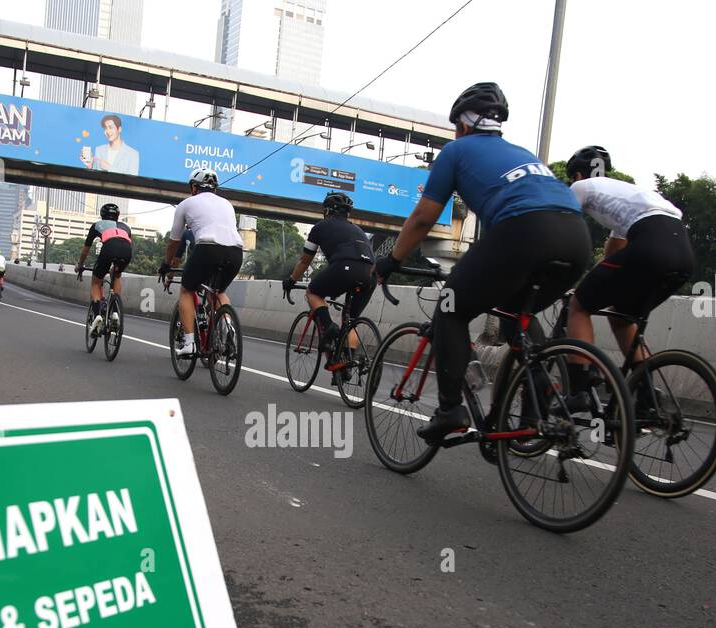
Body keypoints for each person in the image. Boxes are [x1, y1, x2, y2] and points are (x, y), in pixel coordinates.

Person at [373, 81, 592, 443]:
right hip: (576, 238)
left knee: (451, 308)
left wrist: (390, 260)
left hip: (524, 232)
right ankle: (533, 412)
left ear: (461, 124)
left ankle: (450, 411)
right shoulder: (523, 154)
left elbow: (424, 217)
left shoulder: (456, 151)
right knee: (516, 318)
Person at [562, 145, 694, 408]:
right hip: (683, 253)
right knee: (622, 317)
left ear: (577, 175)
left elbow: (563, 228)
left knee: (579, 305)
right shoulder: (629, 196)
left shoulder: (581, 188)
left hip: (650, 245)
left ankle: (579, 391)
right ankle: (647, 392)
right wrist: (597, 282)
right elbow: (613, 255)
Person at [282, 191, 375, 384]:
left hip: (344, 267)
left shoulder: (320, 227)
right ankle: (346, 362)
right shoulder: (358, 230)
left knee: (313, 292)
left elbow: (304, 260)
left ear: (327, 211)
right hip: (370, 274)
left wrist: (291, 280)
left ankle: (328, 327)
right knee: (351, 320)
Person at [159, 169, 244, 357]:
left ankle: (189, 343)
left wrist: (166, 265)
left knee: (187, 289)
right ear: (214, 189)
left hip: (208, 247)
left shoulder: (186, 204)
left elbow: (174, 241)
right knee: (219, 292)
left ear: (193, 187)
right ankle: (228, 327)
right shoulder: (227, 204)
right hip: (236, 250)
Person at [77, 203, 133, 334]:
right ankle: (115, 312)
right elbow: (127, 243)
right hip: (126, 252)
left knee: (96, 281)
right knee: (117, 275)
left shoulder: (97, 225)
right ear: (118, 216)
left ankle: (97, 316)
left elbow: (86, 249)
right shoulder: (126, 227)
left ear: (102, 215)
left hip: (109, 248)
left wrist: (80, 265)